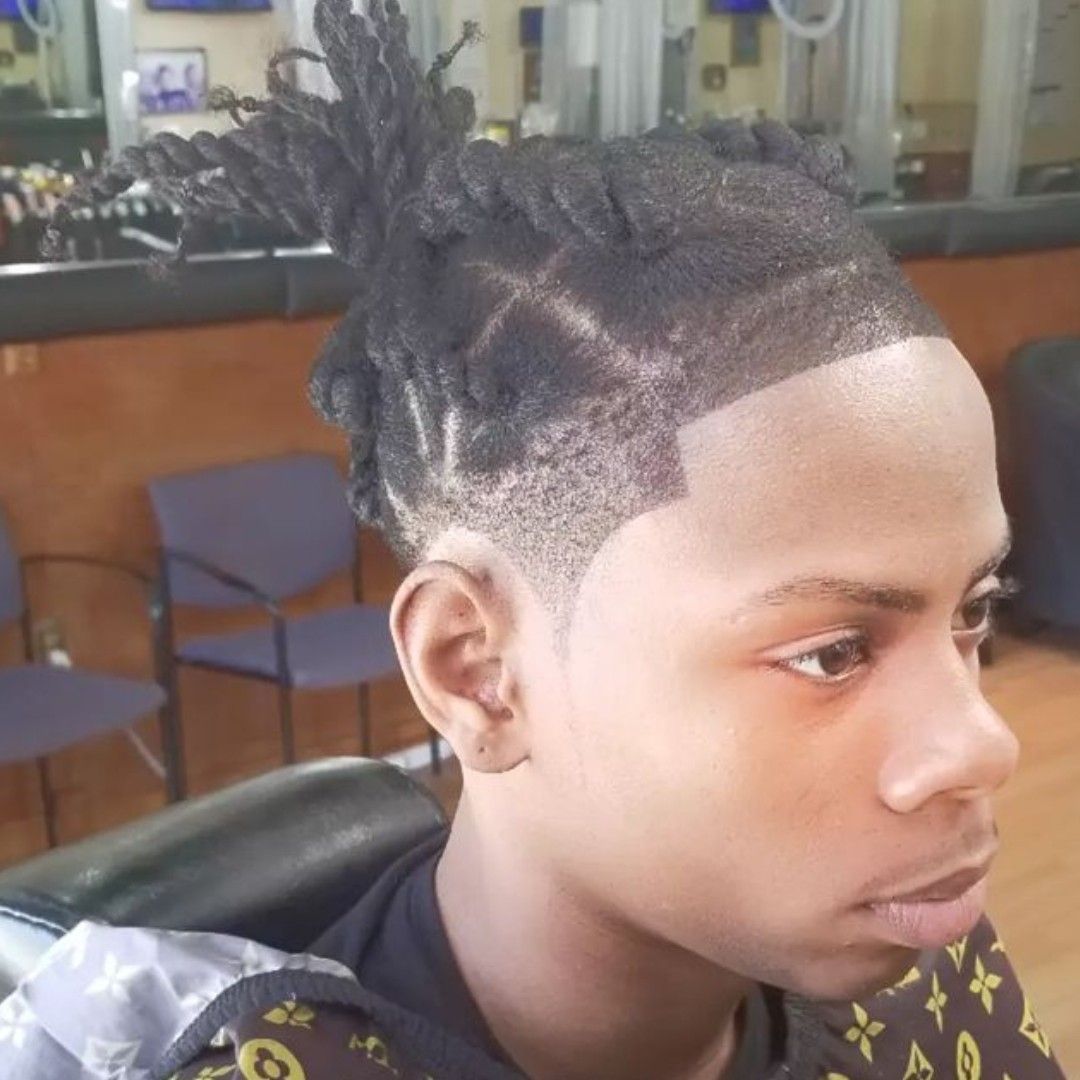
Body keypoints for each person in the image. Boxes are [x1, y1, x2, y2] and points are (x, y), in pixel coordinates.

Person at [31, 1, 1067, 1077]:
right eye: (833, 652)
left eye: (973, 611)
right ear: (478, 672)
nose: (980, 745)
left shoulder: (928, 961)